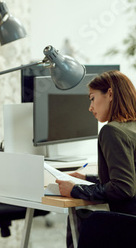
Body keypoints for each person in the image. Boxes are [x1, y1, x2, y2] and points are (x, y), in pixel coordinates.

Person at [56, 70, 136, 246]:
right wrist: (86, 179)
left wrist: (75, 190)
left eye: (92, 98)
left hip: (130, 226)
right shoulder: (132, 127)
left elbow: (124, 188)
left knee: (79, 219)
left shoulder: (112, 131)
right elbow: (131, 176)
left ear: (110, 94)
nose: (90, 107)